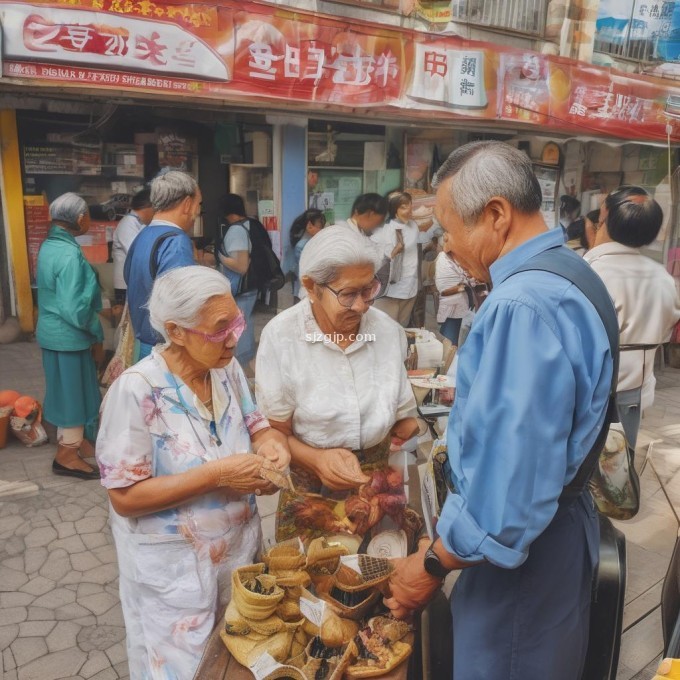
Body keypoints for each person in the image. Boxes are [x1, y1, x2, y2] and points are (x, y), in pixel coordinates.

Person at [384, 141, 614, 680]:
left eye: (449, 230)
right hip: (552, 534)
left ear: (495, 214)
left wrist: (434, 562)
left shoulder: (521, 305)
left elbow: (509, 492)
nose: (447, 248)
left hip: (523, 556)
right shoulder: (570, 273)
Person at [96, 266, 290, 679]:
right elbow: (125, 498)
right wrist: (217, 475)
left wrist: (273, 446)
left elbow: (257, 424)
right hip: (175, 577)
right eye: (220, 328)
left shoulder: (226, 369)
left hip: (238, 559)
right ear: (176, 331)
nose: (234, 338)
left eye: (236, 321)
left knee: (237, 659)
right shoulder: (136, 391)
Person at [256, 226, 420, 542]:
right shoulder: (282, 337)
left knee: (377, 573)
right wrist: (316, 459)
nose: (361, 305)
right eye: (347, 294)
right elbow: (274, 431)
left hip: (375, 488)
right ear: (311, 287)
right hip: (311, 491)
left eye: (369, 288)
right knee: (312, 580)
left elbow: (404, 420)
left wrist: (409, 428)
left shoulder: (386, 332)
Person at [584, 185, 680, 448]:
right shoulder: (662, 276)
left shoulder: (591, 273)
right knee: (621, 467)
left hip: (592, 399)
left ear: (607, 221)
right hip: (637, 393)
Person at [36, 193, 104, 480]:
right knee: (75, 396)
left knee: (67, 392)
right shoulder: (69, 254)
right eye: (87, 214)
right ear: (79, 219)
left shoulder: (49, 245)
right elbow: (74, 306)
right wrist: (97, 332)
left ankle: (77, 443)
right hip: (70, 336)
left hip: (52, 333)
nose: (88, 218)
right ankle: (66, 454)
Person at [124, 171, 198, 361]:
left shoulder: (142, 235)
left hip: (143, 343)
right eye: (199, 205)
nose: (197, 213)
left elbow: (129, 277)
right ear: (188, 204)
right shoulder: (176, 241)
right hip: (166, 348)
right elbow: (181, 301)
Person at [371, 191, 437, 326]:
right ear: (393, 209)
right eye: (403, 207)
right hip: (390, 291)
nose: (409, 211)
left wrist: (436, 226)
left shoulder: (412, 226)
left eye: (410, 206)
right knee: (386, 329)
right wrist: (393, 252)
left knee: (402, 328)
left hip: (410, 288)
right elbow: (376, 260)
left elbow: (420, 243)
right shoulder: (384, 230)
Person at [216, 193, 260, 370]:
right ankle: (246, 363)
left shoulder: (236, 230)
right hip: (251, 286)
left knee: (239, 326)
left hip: (241, 288)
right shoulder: (252, 224)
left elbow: (241, 265)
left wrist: (219, 256)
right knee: (244, 322)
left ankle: (241, 365)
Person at [111, 188, 155, 306]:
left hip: (135, 283)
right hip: (125, 285)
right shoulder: (128, 223)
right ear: (148, 206)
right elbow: (138, 253)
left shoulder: (139, 223)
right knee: (129, 322)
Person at [433, 242, 472, 347]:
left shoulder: (453, 258)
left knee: (455, 340)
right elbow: (444, 290)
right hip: (452, 307)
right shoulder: (444, 259)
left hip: (459, 306)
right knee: (450, 344)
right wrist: (464, 286)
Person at [285, 209, 326, 299]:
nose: (322, 229)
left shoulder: (307, 241)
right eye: (320, 226)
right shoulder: (304, 245)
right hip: (306, 289)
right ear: (310, 226)